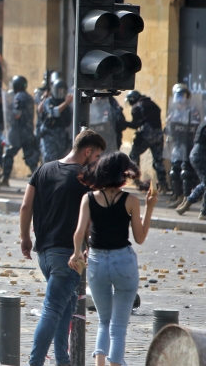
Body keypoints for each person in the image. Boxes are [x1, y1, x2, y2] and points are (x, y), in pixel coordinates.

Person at [19, 129, 106, 366]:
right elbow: (90, 221)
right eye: (97, 156)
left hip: (44, 254)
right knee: (52, 309)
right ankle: (35, 362)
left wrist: (25, 238)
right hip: (68, 256)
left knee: (67, 305)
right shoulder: (85, 179)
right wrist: (92, 248)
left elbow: (25, 207)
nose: (97, 162)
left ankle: (63, 360)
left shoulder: (43, 169)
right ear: (87, 151)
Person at [69, 152, 156, 366]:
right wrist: (150, 208)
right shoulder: (130, 200)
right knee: (118, 327)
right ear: (122, 174)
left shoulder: (89, 198)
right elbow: (140, 238)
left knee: (103, 322)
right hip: (123, 262)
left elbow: (79, 232)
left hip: (97, 262)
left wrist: (77, 253)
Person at [124, 90, 168, 194]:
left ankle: (136, 180)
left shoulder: (137, 107)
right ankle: (163, 185)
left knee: (134, 154)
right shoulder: (152, 104)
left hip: (147, 135)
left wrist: (124, 123)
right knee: (158, 160)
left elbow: (136, 124)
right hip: (158, 135)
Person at [2, 75, 40, 185]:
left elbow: (17, 115)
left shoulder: (18, 97)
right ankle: (39, 180)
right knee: (31, 159)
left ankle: (5, 178)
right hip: (28, 132)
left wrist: (8, 111)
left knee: (8, 154)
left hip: (18, 132)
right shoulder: (29, 97)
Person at [176, 118, 206, 219]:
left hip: (198, 155)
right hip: (200, 156)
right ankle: (203, 212)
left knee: (204, 183)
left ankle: (187, 204)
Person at [37, 79, 73, 163]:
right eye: (58, 90)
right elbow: (54, 112)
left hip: (61, 136)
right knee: (49, 159)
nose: (60, 93)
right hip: (49, 135)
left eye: (62, 91)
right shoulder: (49, 101)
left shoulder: (67, 104)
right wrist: (66, 103)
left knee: (61, 160)